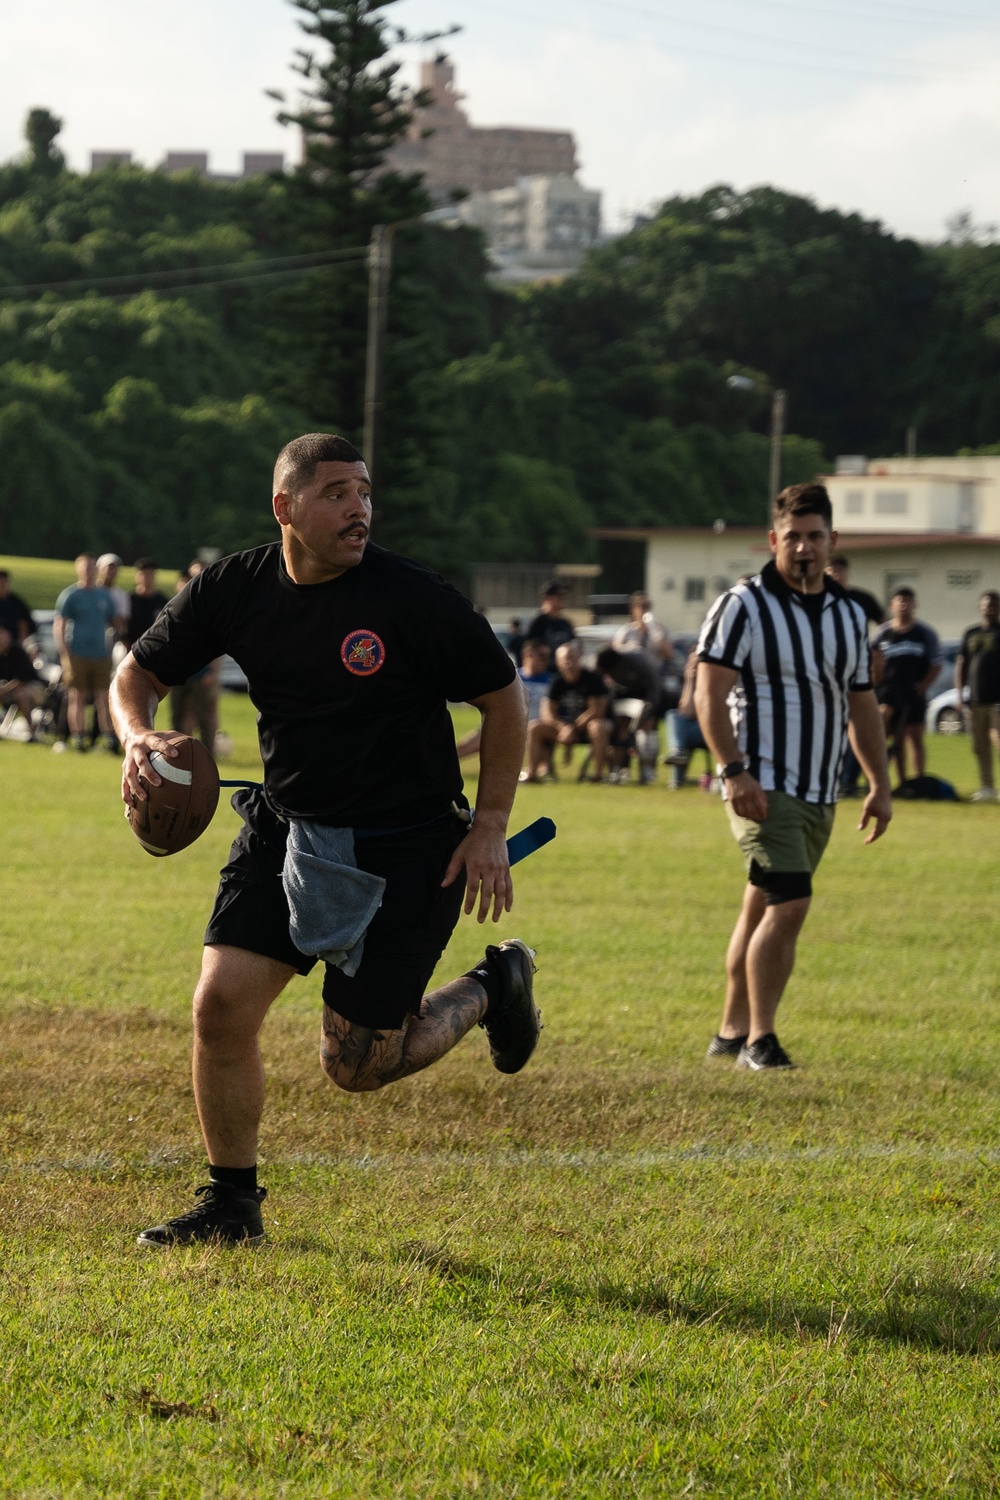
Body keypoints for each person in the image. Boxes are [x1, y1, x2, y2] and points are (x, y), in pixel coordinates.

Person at [111, 432, 537, 1248]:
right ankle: (233, 1206)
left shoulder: (411, 598)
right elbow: (138, 675)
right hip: (289, 828)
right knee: (220, 1006)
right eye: (337, 493)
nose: (359, 510)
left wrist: (488, 827)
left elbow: (504, 699)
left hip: (409, 846)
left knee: (359, 1067)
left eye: (366, 493)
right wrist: (138, 737)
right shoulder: (236, 586)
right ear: (285, 508)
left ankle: (492, 984)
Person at [695, 482, 892, 1070]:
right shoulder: (744, 605)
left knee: (762, 902)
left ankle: (729, 1033)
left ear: (833, 541)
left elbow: (861, 705)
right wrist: (733, 771)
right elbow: (708, 692)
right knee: (790, 903)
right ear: (774, 539)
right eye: (794, 537)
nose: (804, 548)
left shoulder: (849, 615)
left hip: (819, 788)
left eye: (816, 537)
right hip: (762, 783)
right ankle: (761, 1040)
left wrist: (879, 785)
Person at [825, 556, 885, 796]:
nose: (835, 576)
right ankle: (832, 778)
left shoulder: (861, 600)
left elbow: (885, 628)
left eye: (839, 571)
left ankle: (849, 780)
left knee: (857, 726)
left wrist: (876, 655)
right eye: (831, 572)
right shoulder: (818, 599)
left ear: (846, 573)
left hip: (855, 671)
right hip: (827, 671)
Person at [873, 588, 941, 785]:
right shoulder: (883, 633)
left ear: (915, 605)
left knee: (915, 737)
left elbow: (936, 663)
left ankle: (918, 780)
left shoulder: (924, 633)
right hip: (888, 693)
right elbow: (873, 660)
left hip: (913, 692)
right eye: (900, 601)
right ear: (891, 605)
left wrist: (923, 686)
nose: (904, 605)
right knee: (893, 738)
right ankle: (897, 780)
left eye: (908, 601)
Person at [54, 553, 119, 754]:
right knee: (78, 696)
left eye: (92, 567)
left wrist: (111, 650)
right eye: (85, 567)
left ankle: (108, 738)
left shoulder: (104, 596)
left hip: (100, 654)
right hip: (77, 653)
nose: (89, 570)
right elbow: (60, 624)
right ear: (78, 569)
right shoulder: (71, 595)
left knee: (103, 697)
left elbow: (114, 623)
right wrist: (65, 653)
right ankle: (79, 736)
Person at [521, 640, 610, 783]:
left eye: (571, 657)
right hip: (562, 728)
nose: (568, 662)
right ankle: (532, 773)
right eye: (564, 659)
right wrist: (563, 728)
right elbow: (547, 711)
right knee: (534, 727)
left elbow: (596, 710)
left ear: (578, 658)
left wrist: (572, 728)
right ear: (558, 662)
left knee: (598, 727)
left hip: (586, 728)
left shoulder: (592, 679)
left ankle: (598, 775)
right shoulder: (556, 682)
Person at [456, 640, 552, 761]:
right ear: (528, 654)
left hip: (534, 724)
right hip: (506, 721)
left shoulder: (551, 680)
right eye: (542, 655)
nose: (546, 660)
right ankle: (445, 760)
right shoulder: (513, 677)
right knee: (476, 739)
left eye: (548, 656)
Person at [955, 589, 1000, 802]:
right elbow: (962, 665)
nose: (988, 609)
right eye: (985, 605)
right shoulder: (970, 633)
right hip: (975, 699)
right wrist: (960, 694)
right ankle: (987, 788)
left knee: (998, 740)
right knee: (979, 746)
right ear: (980, 608)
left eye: (992, 605)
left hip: (996, 700)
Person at [594, 645, 663, 784]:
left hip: (648, 694)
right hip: (623, 696)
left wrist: (648, 712)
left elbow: (654, 688)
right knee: (622, 732)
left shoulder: (639, 662)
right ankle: (620, 768)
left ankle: (647, 771)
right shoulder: (603, 667)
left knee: (646, 732)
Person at [664, 645, 709, 788]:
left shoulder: (715, 681)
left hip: (713, 729)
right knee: (674, 716)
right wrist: (691, 680)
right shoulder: (692, 679)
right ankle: (678, 753)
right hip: (695, 729)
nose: (694, 666)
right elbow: (687, 711)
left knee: (679, 727)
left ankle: (678, 753)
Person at [0, 623, 44, 739]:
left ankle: (31, 733)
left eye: (2, 634)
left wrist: (4, 689)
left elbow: (21, 680)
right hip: (10, 689)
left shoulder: (18, 652)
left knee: (22, 694)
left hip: (34, 687)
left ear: (8, 635)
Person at [524, 581, 576, 662]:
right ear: (547, 598)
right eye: (559, 595)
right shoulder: (537, 624)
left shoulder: (565, 624)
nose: (563, 598)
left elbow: (573, 644)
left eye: (564, 595)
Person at [125, 558, 169, 649]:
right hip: (132, 648)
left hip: (155, 649)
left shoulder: (162, 601)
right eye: (144, 573)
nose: (147, 577)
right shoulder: (128, 600)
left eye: (151, 573)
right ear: (137, 575)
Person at [0, 570, 35, 644]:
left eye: (6, 583)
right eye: (1, 583)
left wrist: (21, 645)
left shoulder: (16, 603)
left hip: (14, 645)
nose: (3, 586)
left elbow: (24, 625)